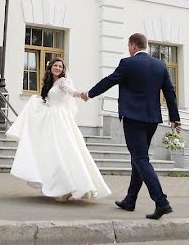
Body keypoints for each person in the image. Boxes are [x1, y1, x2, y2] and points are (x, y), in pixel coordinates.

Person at [81, 33, 181, 220]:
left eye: (129, 46)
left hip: (133, 118)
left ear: (134, 46)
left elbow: (109, 81)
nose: (128, 49)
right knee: (138, 159)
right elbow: (170, 92)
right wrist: (175, 119)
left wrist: (89, 94)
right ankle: (130, 200)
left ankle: (161, 202)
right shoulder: (160, 65)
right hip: (151, 120)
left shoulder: (127, 63)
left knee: (141, 159)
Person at [6, 57, 111, 202]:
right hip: (50, 118)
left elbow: (71, 92)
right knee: (52, 153)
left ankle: (70, 188)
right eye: (55, 66)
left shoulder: (62, 82)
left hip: (60, 119)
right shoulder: (50, 83)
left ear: (63, 70)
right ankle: (63, 186)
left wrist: (82, 95)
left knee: (64, 151)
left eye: (60, 67)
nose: (58, 68)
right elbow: (48, 100)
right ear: (50, 68)